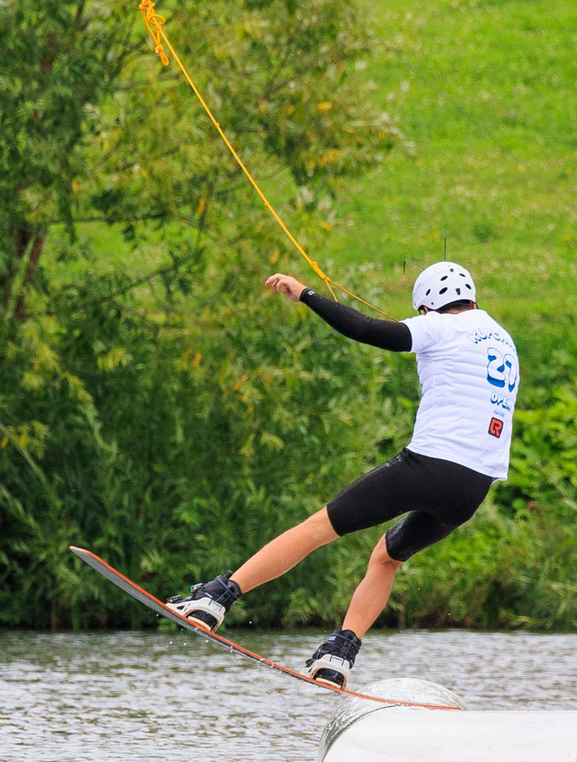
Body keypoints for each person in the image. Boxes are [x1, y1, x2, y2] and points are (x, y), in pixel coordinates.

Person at [167, 260, 519, 688]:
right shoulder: (502, 339)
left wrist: (306, 294)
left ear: (428, 308)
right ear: (472, 299)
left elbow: (369, 331)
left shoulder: (441, 328)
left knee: (319, 527)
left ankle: (216, 599)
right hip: (472, 489)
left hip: (428, 466)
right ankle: (338, 655)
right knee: (387, 557)